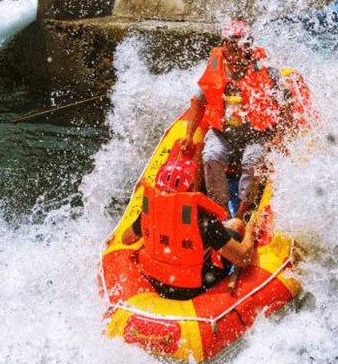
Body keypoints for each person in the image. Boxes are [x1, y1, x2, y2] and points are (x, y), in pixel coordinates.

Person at [178, 20, 305, 218]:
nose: (236, 47)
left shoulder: (265, 70)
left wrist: (281, 135)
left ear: (249, 45)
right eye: (231, 42)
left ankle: (241, 214)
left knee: (252, 161)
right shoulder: (216, 68)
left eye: (242, 43)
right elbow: (197, 101)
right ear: (223, 44)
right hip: (224, 132)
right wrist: (188, 134)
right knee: (211, 155)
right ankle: (220, 210)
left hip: (257, 133)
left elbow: (287, 101)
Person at [121, 146, 263, 300]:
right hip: (193, 286)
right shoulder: (203, 219)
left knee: (220, 232)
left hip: (157, 281)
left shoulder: (150, 209)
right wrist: (250, 230)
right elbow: (242, 258)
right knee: (236, 224)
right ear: (190, 187)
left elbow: (126, 239)